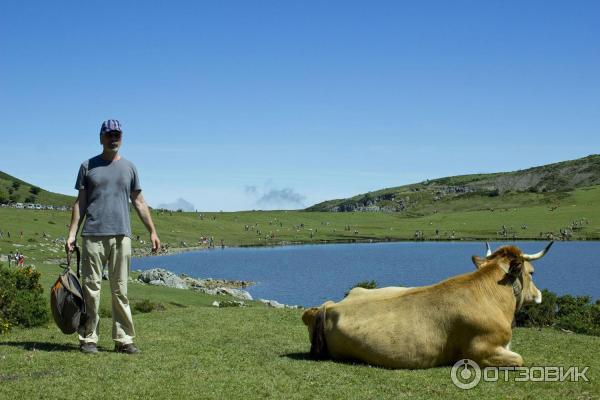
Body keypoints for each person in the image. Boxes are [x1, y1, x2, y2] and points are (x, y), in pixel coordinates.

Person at [65, 119, 160, 355]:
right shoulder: (88, 166)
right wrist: (72, 234)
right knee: (91, 289)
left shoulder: (130, 167)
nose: (113, 138)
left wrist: (152, 231)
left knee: (120, 289)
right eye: (109, 134)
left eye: (117, 134)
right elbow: (81, 202)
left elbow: (139, 201)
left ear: (122, 137)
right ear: (101, 138)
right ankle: (88, 338)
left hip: (122, 236)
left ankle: (124, 339)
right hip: (93, 235)